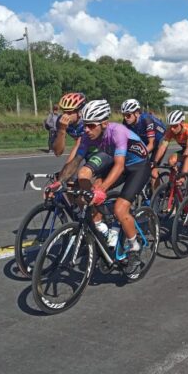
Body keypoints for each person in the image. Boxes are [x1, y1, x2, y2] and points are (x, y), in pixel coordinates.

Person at [53, 100, 149, 255]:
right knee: (90, 187)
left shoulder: (118, 131)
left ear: (104, 123)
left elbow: (119, 165)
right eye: (85, 124)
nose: (86, 129)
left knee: (120, 208)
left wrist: (102, 189)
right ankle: (104, 224)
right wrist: (58, 183)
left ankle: (135, 246)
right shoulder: (87, 135)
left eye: (91, 125)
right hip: (118, 162)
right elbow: (75, 162)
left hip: (138, 166)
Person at [51, 92, 86, 157]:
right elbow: (58, 152)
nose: (65, 115)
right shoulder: (60, 121)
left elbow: (79, 144)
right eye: (64, 112)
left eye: (69, 112)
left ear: (80, 112)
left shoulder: (87, 121)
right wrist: (62, 130)